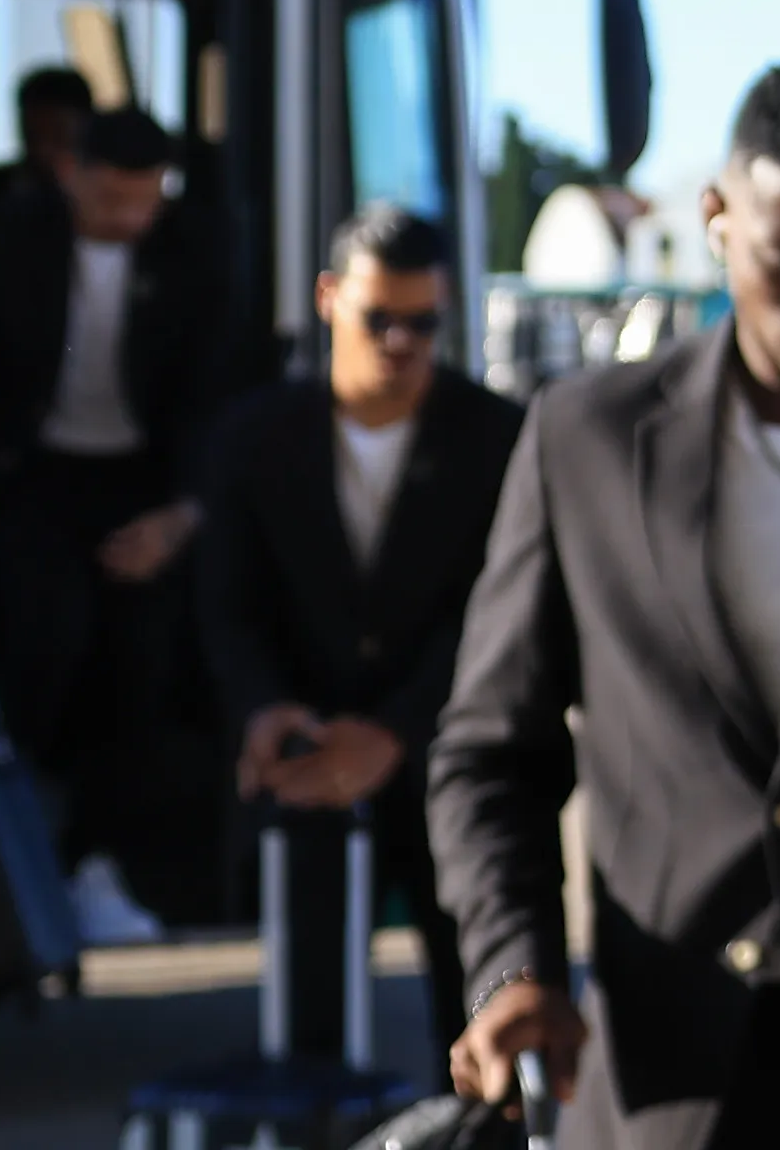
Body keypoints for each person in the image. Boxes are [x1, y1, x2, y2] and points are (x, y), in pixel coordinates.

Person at [429, 59, 780, 1149]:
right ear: (717, 219)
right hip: (662, 1072)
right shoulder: (582, 440)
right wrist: (512, 965)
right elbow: (489, 751)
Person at [0, 104, 227, 941]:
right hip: (27, 473)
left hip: (144, 482)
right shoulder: (4, 236)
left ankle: (100, 869)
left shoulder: (197, 252)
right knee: (39, 641)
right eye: (111, 198)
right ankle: (12, 858)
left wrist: (183, 515)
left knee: (138, 670)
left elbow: (216, 395)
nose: (128, 219)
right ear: (73, 173)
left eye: (146, 200)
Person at [198, 204, 525, 1070]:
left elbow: (500, 613)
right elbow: (226, 603)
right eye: (380, 318)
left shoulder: (500, 436)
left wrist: (396, 733)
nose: (402, 343)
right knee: (308, 1021)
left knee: (474, 1021)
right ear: (328, 298)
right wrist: (263, 710)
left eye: (424, 322)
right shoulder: (253, 437)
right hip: (306, 760)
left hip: (446, 760)